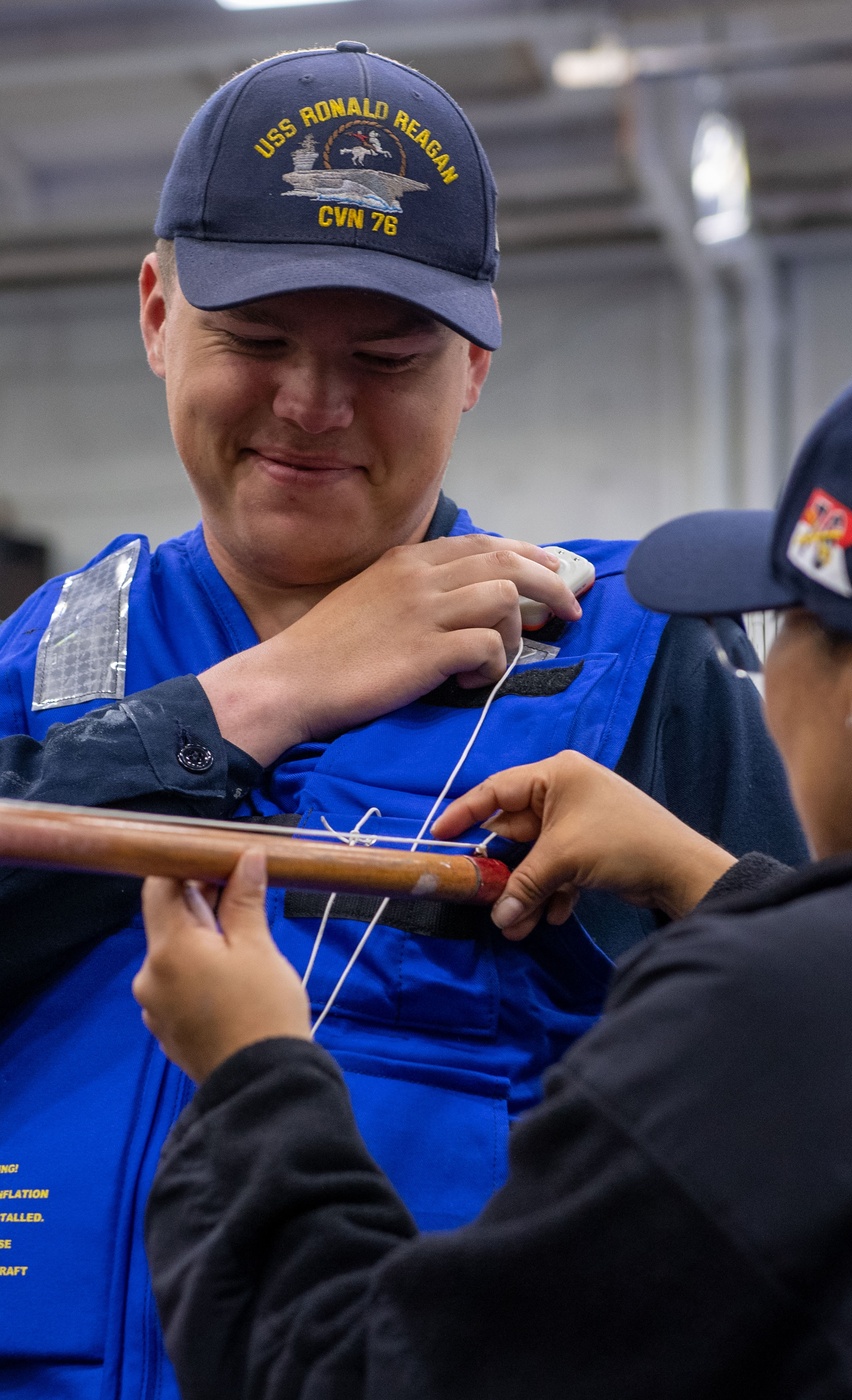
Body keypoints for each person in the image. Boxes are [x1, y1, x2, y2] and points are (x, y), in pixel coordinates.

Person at [0, 42, 803, 1400]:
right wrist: (280, 688)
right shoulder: (44, 654)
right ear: (154, 311)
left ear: (475, 364)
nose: (312, 408)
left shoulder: (625, 658)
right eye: (255, 341)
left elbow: (825, 1076)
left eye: (387, 357)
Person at [138, 329, 852, 1399]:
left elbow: (360, 1374)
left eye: (790, 631)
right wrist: (716, 883)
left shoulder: (755, 1023)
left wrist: (250, 1073)